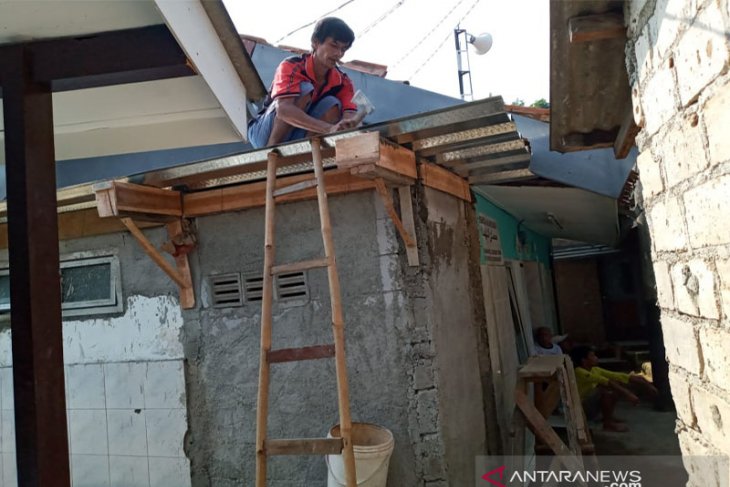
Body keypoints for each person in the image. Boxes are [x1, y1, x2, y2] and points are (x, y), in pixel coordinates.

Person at [247, 17, 360, 148]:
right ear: (315, 42)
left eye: (343, 49)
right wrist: (329, 129)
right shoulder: (292, 66)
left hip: (297, 133)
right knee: (305, 89)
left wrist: (349, 124)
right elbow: (283, 110)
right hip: (263, 134)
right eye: (334, 45)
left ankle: (305, 153)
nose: (338, 53)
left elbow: (350, 115)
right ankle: (270, 151)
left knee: (332, 104)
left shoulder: (343, 82)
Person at [569, 345, 658, 432]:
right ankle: (607, 423)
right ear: (584, 361)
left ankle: (609, 417)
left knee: (616, 383)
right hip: (580, 410)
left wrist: (647, 385)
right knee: (605, 390)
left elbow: (620, 376)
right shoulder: (579, 372)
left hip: (590, 405)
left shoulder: (595, 370)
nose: (596, 358)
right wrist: (629, 395)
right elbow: (606, 382)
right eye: (592, 356)